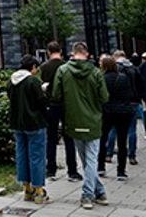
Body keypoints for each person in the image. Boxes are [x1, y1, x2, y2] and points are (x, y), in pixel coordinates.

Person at [52, 42, 109, 210]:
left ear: (72, 53)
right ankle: (88, 194)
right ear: (87, 54)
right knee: (91, 160)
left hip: (73, 120)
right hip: (93, 120)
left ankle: (99, 192)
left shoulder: (63, 71)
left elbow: (56, 95)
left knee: (86, 160)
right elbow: (104, 97)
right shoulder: (96, 72)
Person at [9, 55, 49, 205]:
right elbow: (41, 102)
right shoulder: (33, 81)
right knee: (36, 156)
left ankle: (27, 188)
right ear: (32, 67)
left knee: (21, 155)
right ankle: (39, 190)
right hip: (34, 123)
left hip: (17, 123)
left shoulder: (11, 81)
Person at [39, 42, 79, 182]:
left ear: (48, 52)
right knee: (69, 138)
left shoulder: (44, 67)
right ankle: (72, 171)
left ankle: (51, 170)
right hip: (67, 104)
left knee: (51, 138)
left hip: (51, 105)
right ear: (61, 51)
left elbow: (41, 86)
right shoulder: (67, 66)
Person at [98, 56, 136, 181]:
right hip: (123, 112)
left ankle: (101, 167)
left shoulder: (102, 79)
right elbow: (129, 94)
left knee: (102, 139)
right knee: (122, 141)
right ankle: (121, 171)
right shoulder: (123, 78)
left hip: (107, 112)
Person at [104, 50, 142, 167]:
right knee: (132, 130)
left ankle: (109, 154)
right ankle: (132, 155)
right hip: (133, 102)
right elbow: (141, 85)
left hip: (116, 104)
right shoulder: (134, 68)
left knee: (113, 130)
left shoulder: (116, 70)